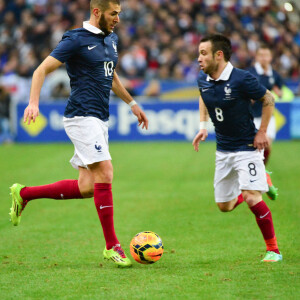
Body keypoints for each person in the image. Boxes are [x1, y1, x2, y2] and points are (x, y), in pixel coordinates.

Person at [9, 0, 148, 268]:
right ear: (97, 12)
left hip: (100, 118)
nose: (118, 18)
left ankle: (23, 194)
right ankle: (112, 246)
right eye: (113, 14)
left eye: (119, 13)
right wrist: (33, 102)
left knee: (87, 187)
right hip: (81, 117)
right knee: (105, 172)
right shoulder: (75, 39)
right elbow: (41, 70)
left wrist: (132, 104)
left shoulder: (112, 40)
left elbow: (111, 74)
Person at [192, 34, 282, 262]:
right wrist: (203, 126)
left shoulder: (242, 78)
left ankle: (273, 250)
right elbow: (203, 95)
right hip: (223, 151)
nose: (199, 58)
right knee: (224, 206)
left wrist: (261, 131)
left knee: (252, 198)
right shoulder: (203, 79)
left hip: (247, 148)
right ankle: (264, 181)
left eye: (203, 53)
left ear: (218, 55)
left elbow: (269, 99)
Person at [248, 45, 283, 165]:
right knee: (256, 148)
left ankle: (262, 171)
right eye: (261, 55)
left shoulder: (274, 74)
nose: (264, 58)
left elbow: (279, 90)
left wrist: (278, 92)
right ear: (256, 57)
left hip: (268, 116)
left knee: (267, 146)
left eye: (266, 55)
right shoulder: (250, 73)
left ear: (271, 57)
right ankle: (258, 173)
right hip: (252, 116)